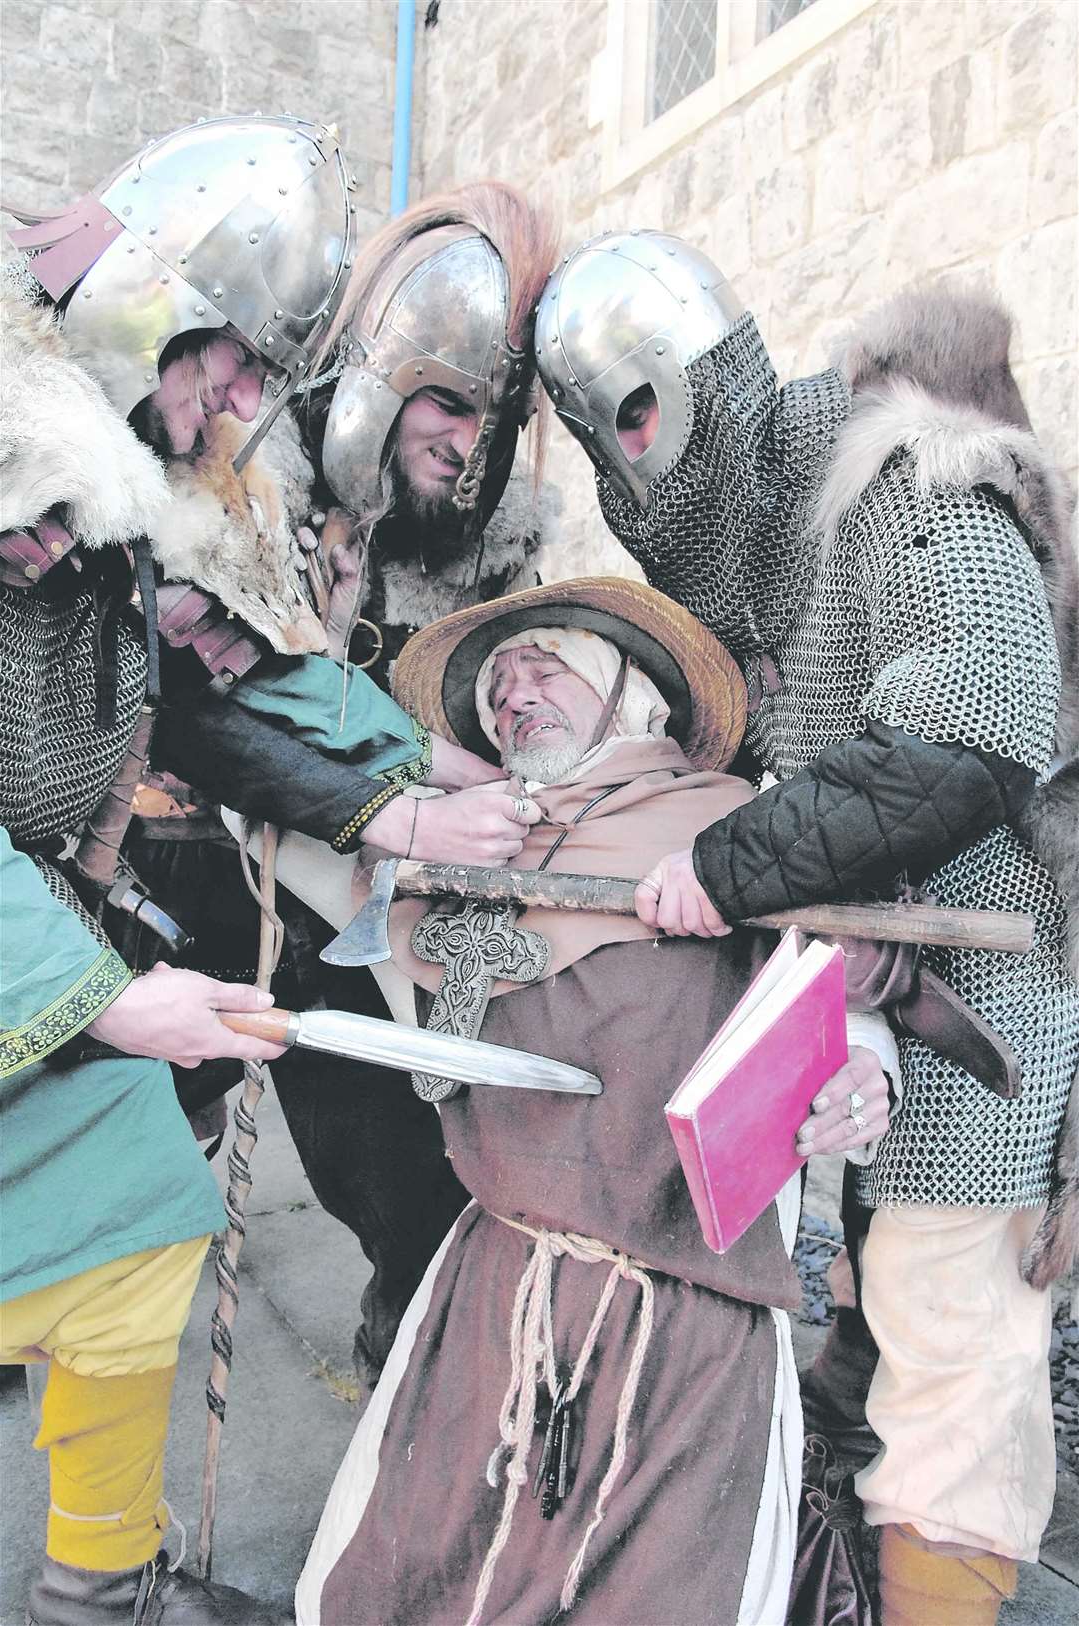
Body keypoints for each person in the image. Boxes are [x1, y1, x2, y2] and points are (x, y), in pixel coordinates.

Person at [0, 114, 511, 1626]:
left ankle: (99, 1581)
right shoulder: (18, 469)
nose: (235, 404)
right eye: (224, 361)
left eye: (251, 379)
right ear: (153, 299)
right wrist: (104, 999)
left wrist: (416, 791)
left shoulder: (114, 509)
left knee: (126, 1200)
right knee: (108, 1185)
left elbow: (228, 695)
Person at [535, 234, 1079, 1626]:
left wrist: (736, 863)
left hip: (1008, 988)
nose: (635, 451)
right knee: (877, 1325)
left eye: (644, 407)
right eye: (606, 436)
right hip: (898, 988)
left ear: (711, 376)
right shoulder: (764, 542)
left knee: (954, 1351)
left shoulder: (907, 470)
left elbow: (983, 717)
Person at [296, 577, 898, 1625]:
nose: (509, 692)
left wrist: (863, 1067)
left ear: (637, 693)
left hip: (685, 1312)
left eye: (544, 660)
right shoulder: (462, 849)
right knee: (420, 1581)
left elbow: (850, 986)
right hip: (491, 1282)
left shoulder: (738, 828)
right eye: (493, 687)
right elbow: (292, 824)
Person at [150, 182, 560, 1384]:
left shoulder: (484, 535)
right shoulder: (239, 471)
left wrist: (477, 778)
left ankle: (409, 1357)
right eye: (447, 397)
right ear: (385, 372)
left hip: (366, 922)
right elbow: (206, 712)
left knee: (411, 1178)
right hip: (188, 871)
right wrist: (403, 804)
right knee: (113, 1161)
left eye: (496, 414)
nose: (466, 438)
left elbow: (379, 703)